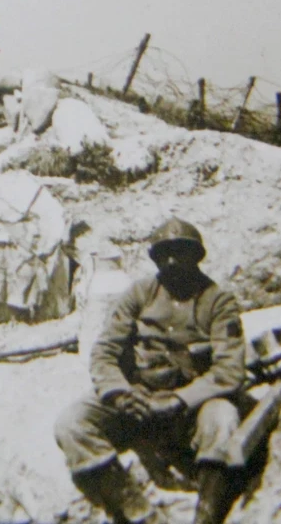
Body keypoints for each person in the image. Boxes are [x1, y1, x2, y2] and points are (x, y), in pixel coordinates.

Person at [54, 218, 247, 524]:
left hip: (192, 408)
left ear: (197, 256)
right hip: (139, 400)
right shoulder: (138, 294)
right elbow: (104, 351)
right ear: (154, 259)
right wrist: (119, 393)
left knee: (223, 420)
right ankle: (138, 512)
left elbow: (229, 371)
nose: (171, 261)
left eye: (180, 253)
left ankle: (207, 515)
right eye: (163, 254)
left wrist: (180, 399)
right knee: (72, 423)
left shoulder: (218, 302)